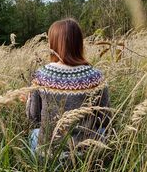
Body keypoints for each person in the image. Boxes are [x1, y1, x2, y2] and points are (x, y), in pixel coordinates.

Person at [23, 18, 110, 152]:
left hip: (48, 155)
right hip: (87, 154)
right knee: (104, 131)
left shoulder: (41, 75)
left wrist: (28, 100)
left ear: (53, 44)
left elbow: (34, 118)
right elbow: (105, 119)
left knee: (34, 133)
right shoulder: (96, 76)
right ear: (79, 43)